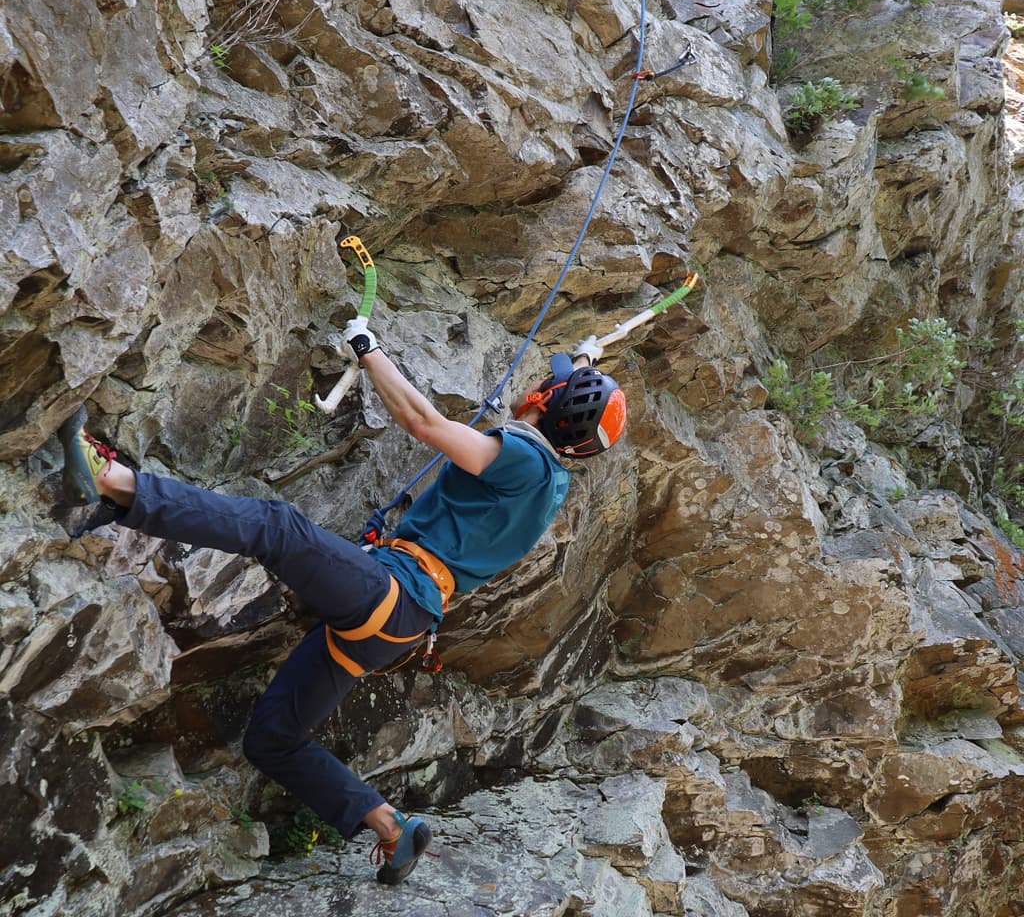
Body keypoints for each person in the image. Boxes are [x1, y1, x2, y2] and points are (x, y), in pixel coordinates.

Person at [58, 319, 627, 885]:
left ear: (551, 404)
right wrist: (583, 361)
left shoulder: (525, 461)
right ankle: (391, 826)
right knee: (272, 739)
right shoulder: (550, 481)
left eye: (553, 385)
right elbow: (558, 405)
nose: (540, 385)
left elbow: (421, 421)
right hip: (397, 627)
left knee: (276, 526)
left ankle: (110, 480)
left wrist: (369, 350)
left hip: (394, 591)